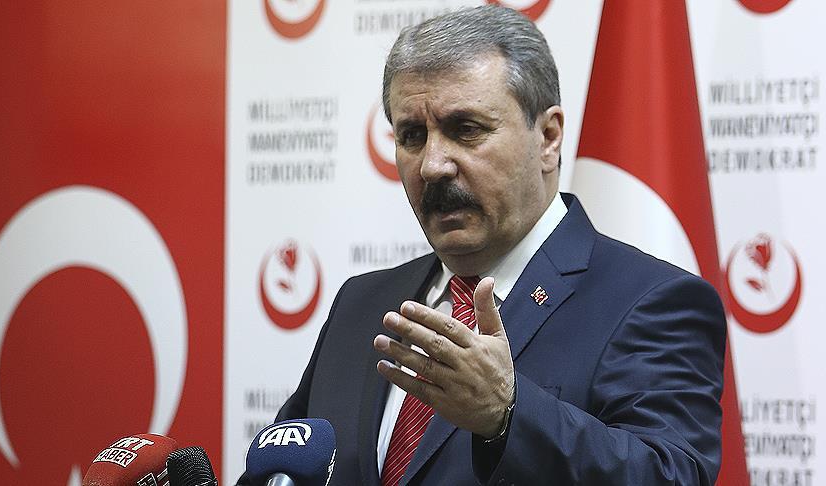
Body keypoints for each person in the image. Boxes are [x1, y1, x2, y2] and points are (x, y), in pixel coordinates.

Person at [276, 5, 725, 485]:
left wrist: (509, 412)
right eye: (412, 135)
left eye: (466, 130)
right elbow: (285, 469)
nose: (432, 165)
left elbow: (669, 475)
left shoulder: (651, 302)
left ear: (548, 137)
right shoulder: (361, 303)